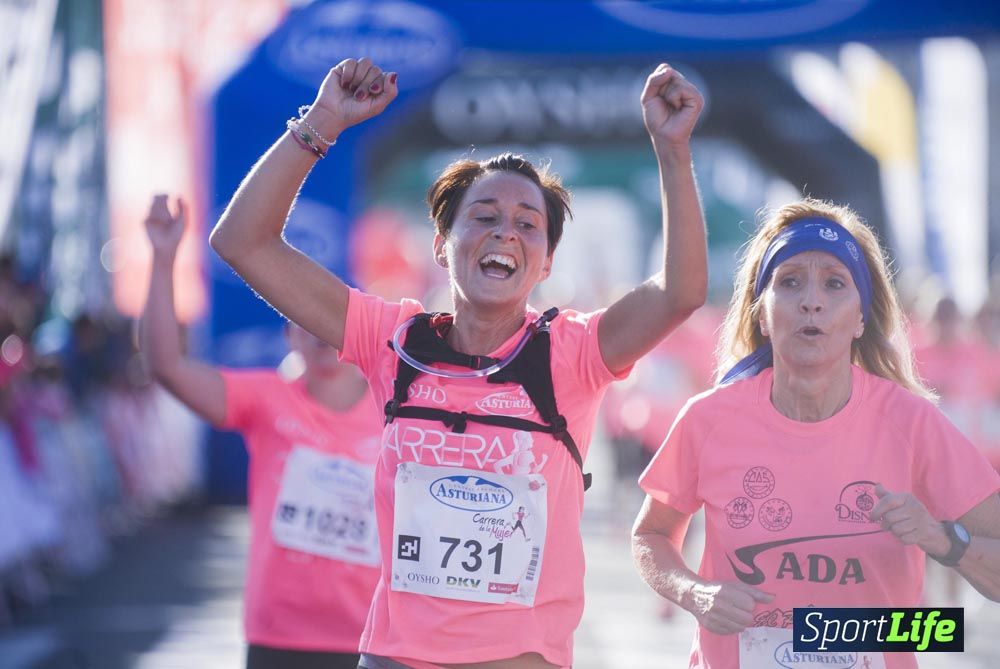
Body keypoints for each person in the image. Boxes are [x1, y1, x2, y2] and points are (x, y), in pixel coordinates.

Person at [209, 56, 707, 669]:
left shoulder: (571, 353)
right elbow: (242, 241)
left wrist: (673, 149)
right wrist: (322, 123)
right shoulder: (388, 339)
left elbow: (680, 293)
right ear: (443, 245)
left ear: (545, 263)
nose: (505, 233)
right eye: (484, 217)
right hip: (394, 657)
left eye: (528, 225)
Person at [631, 199, 1000, 669]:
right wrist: (695, 592)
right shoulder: (709, 419)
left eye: (834, 283)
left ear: (861, 318)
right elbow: (651, 535)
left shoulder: (912, 424)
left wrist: (941, 540)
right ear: (762, 314)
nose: (811, 300)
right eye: (789, 282)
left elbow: (950, 613)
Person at [140, 195, 381, 669]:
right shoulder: (266, 399)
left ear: (362, 334)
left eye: (333, 320)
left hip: (372, 639)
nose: (321, 332)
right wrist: (164, 258)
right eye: (305, 321)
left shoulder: (398, 413)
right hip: (279, 636)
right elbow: (167, 366)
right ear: (289, 335)